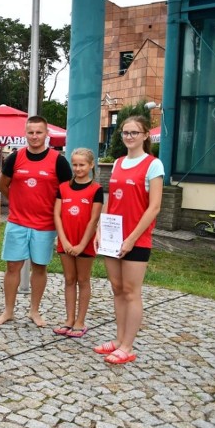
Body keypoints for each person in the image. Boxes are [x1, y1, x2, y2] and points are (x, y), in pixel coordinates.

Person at [95, 116, 163, 365]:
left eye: (134, 132)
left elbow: (154, 207)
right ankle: (118, 339)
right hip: (114, 236)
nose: (129, 137)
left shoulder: (153, 165)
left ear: (145, 135)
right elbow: (112, 201)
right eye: (125, 132)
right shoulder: (118, 163)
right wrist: (101, 229)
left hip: (137, 239)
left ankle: (128, 346)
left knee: (132, 292)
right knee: (117, 289)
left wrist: (132, 239)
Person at [0, 116, 72, 327]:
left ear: (47, 134)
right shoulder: (15, 157)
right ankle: (8, 311)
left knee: (39, 267)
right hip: (17, 222)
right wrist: (17, 202)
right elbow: (3, 185)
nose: (35, 136)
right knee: (13, 267)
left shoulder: (58, 161)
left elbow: (67, 193)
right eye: (31, 132)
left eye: (39, 132)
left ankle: (34, 311)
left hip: (45, 225)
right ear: (25, 134)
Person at [52, 148, 103, 338]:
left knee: (83, 280)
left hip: (84, 243)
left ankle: (80, 321)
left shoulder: (96, 190)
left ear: (91, 165)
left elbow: (93, 219)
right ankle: (69, 319)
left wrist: (82, 244)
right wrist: (63, 239)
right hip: (66, 241)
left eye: (82, 165)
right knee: (69, 279)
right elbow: (57, 214)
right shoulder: (63, 187)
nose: (78, 168)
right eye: (75, 164)